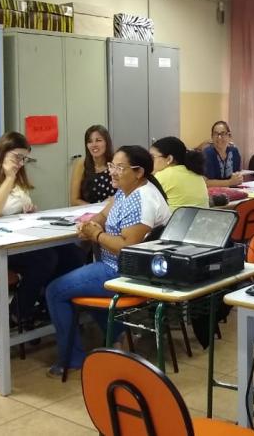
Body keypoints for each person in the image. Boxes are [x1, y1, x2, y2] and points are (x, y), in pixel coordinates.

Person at [45, 145, 171, 377]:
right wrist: (90, 224)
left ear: (138, 172)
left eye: (120, 168)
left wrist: (96, 235)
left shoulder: (141, 199)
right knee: (73, 276)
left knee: (55, 291)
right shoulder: (127, 190)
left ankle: (72, 360)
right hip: (116, 266)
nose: (112, 171)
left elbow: (126, 247)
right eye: (112, 165)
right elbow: (103, 215)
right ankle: (119, 335)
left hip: (124, 272)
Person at [0, 132, 61, 324]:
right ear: (2, 153)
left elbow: (16, 211)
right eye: (17, 157)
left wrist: (29, 211)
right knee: (47, 259)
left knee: (70, 252)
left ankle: (50, 304)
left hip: (21, 240)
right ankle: (18, 312)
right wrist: (9, 178)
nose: (20, 163)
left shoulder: (19, 181)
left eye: (24, 159)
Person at [151, 136, 209, 211]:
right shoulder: (196, 173)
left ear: (169, 159)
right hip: (202, 217)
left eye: (152, 157)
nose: (149, 161)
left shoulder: (164, 175)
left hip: (176, 218)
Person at [69, 125, 113, 206]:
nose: (94, 145)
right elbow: (74, 200)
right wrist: (96, 209)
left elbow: (126, 193)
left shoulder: (116, 163)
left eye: (98, 140)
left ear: (107, 142)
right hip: (88, 211)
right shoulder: (81, 164)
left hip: (112, 210)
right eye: (90, 141)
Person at [203, 120, 243, 187]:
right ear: (212, 137)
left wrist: (238, 178)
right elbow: (206, 182)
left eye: (223, 133)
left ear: (229, 136)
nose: (219, 137)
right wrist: (230, 182)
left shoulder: (234, 152)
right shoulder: (207, 153)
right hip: (212, 192)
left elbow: (236, 175)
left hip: (231, 190)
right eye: (216, 134)